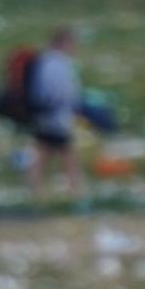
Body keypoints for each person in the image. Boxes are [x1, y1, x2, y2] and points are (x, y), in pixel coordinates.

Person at [21, 25, 87, 202]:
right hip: (55, 116)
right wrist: (74, 107)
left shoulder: (45, 61)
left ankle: (35, 189)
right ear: (64, 43)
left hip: (44, 114)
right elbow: (63, 91)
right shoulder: (57, 63)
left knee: (43, 150)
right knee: (65, 153)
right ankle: (74, 190)